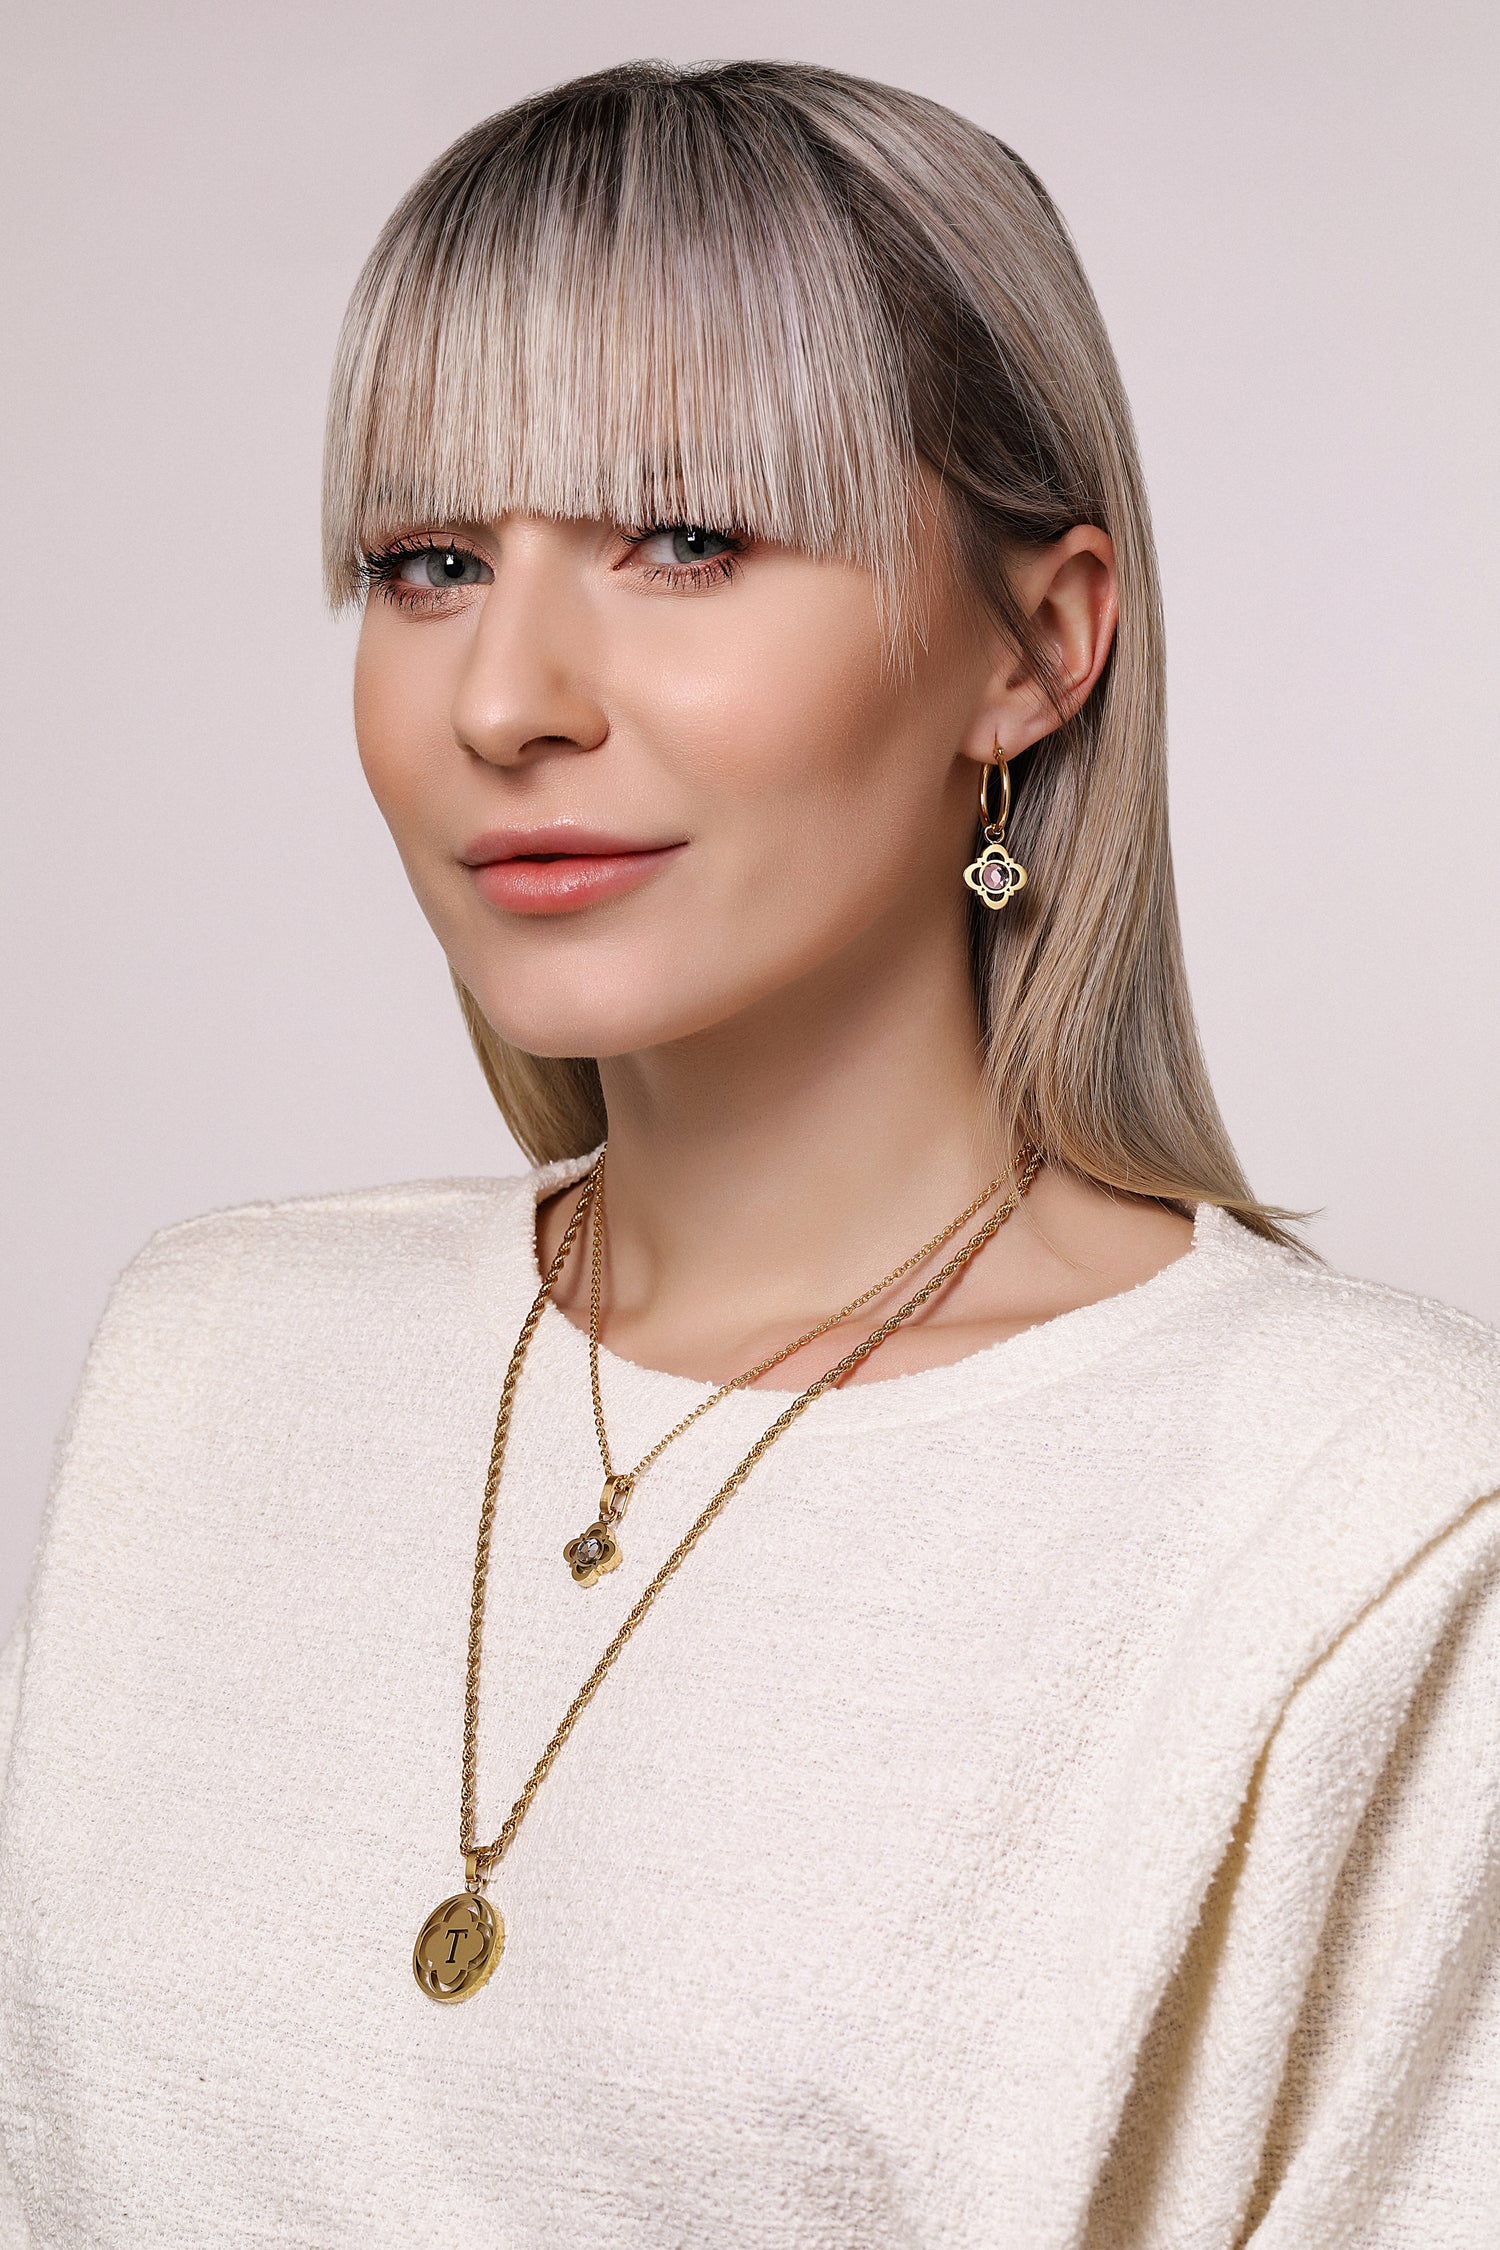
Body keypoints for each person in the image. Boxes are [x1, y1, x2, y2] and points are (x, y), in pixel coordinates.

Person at [1, 56, 1497, 2249]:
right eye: (428, 563)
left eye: (684, 539)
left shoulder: (1364, 1513)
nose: (506, 697)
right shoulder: (209, 1362)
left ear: (1039, 645)